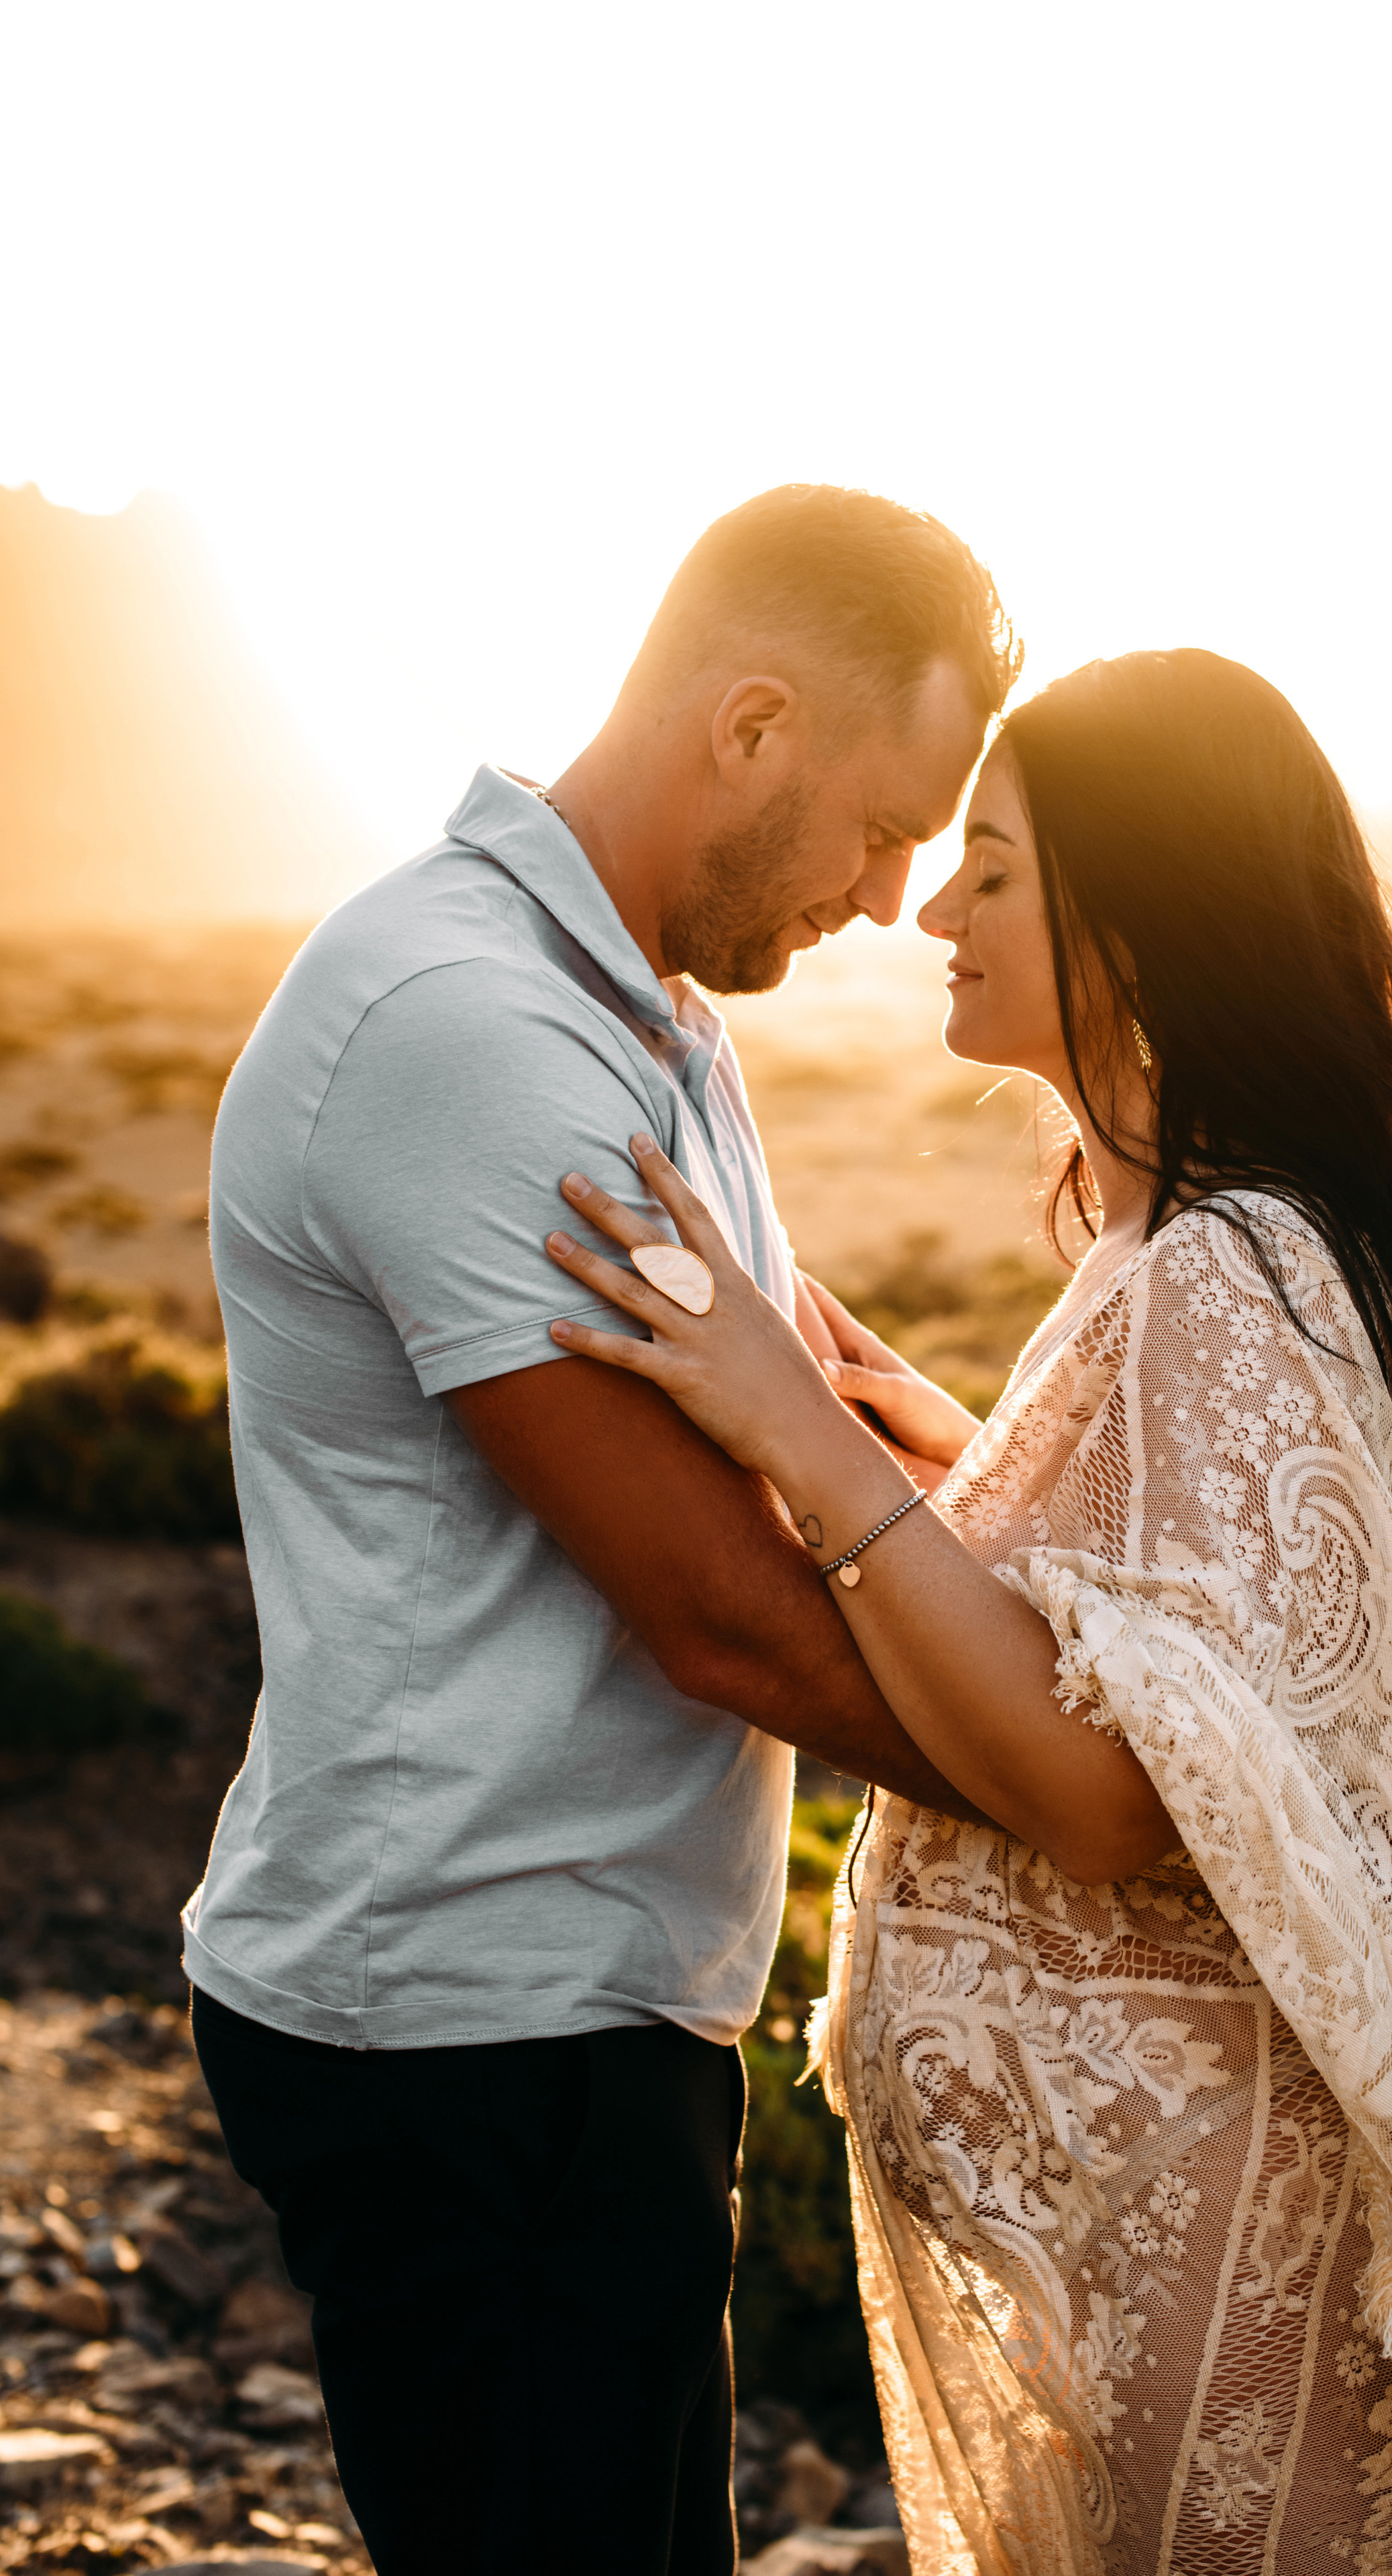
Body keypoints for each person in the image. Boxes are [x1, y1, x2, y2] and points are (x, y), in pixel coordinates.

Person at [545, 649, 1392, 2575]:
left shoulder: (1227, 1270)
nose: (930, 908)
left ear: (1139, 925)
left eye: (991, 868)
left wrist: (802, 1442)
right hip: (1177, 2233)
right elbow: (1167, 1603)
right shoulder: (1194, 1245)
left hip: (1226, 2238)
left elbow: (1112, 1791)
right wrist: (927, 1435)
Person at [184, 484, 1021, 2576]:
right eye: (880, 824)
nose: (895, 893)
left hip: (592, 1994)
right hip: (469, 2022)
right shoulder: (466, 1030)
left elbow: (817, 1400)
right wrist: (1098, 1795)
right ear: (751, 730)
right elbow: (723, 1611)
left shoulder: (651, 1017)